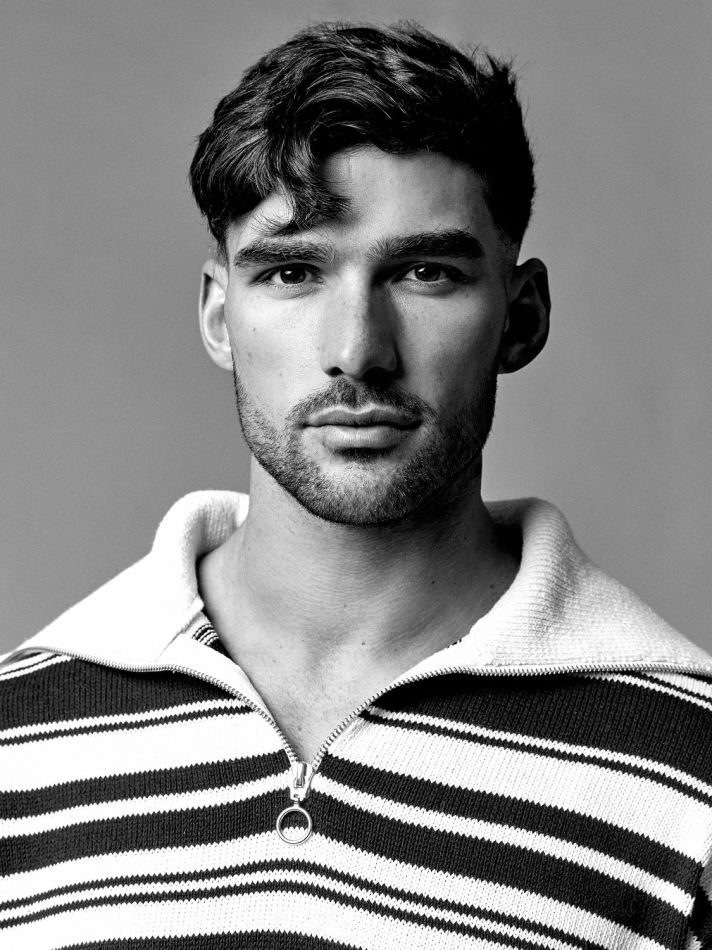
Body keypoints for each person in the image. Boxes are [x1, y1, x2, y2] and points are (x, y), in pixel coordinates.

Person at [1, 20, 711, 950]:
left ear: (521, 317)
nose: (357, 352)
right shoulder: (20, 744)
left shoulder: (688, 779)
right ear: (219, 316)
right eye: (292, 271)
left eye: (426, 272)